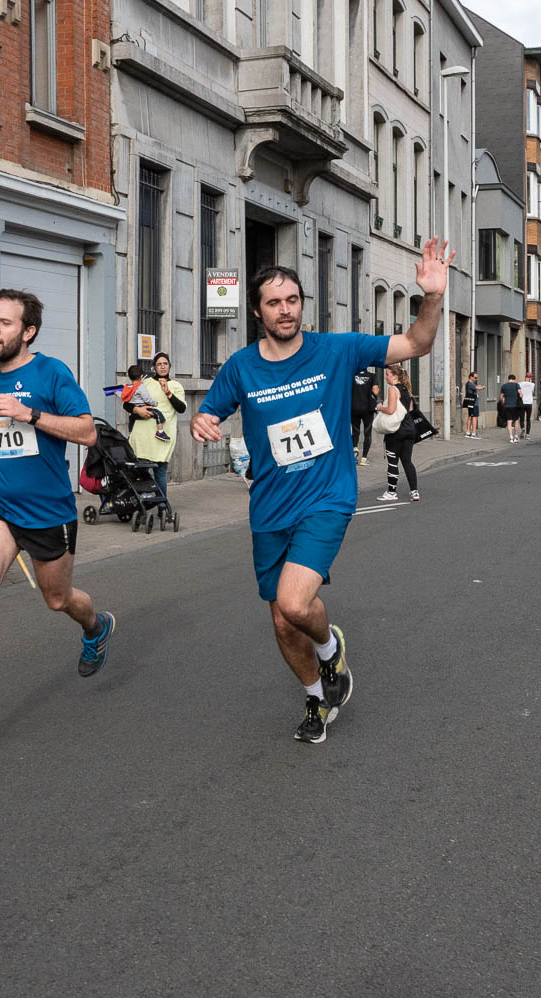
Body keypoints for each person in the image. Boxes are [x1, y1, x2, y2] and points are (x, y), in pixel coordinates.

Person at [191, 238, 453, 744]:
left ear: (302, 304)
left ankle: (330, 649)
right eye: (274, 302)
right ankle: (318, 696)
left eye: (292, 300)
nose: (285, 310)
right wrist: (203, 420)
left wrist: (433, 297)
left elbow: (416, 343)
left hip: (327, 498)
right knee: (284, 622)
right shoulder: (241, 367)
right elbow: (211, 411)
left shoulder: (338, 349)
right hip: (269, 507)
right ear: (256, 310)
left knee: (293, 603)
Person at [0, 289, 114, 740]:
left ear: (28, 331)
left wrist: (30, 413)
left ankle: (96, 626)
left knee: (58, 599)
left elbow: (88, 432)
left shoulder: (52, 373)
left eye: (6, 323)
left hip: (48, 510)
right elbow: (3, 439)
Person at [126, 352, 187, 496]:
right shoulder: (144, 383)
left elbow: (181, 408)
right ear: (154, 367)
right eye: (159, 364)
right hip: (142, 436)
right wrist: (137, 410)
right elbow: (127, 404)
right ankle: (142, 505)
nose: (162, 367)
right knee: (140, 471)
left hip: (162, 436)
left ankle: (162, 507)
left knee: (160, 472)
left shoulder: (176, 386)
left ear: (170, 367)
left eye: (165, 364)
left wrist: (168, 393)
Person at [376, 365, 420, 502]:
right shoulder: (407, 389)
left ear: (395, 376)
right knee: (407, 461)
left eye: (387, 374)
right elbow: (410, 409)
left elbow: (390, 410)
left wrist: (378, 407)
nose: (385, 376)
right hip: (410, 429)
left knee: (393, 462)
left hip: (396, 430)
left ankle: (392, 492)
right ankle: (414, 492)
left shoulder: (393, 389)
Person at [351, 359, 379, 465]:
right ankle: (364, 458)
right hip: (367, 409)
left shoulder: (351, 376)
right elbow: (375, 390)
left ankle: (354, 452)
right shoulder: (372, 376)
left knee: (355, 431)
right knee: (367, 433)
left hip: (354, 408)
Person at [499, 374, 522, 443]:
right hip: (515, 406)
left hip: (507, 406)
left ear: (508, 379)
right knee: (516, 421)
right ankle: (516, 436)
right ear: (514, 379)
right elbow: (520, 394)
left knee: (509, 421)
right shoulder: (516, 385)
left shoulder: (504, 386)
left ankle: (511, 437)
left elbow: (501, 397)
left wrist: (503, 402)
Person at [462, 371, 483, 438]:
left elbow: (476, 387)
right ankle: (473, 433)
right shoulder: (470, 384)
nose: (476, 379)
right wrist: (482, 387)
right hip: (474, 403)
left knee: (470, 417)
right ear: (471, 377)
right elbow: (478, 388)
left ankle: (468, 432)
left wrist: (478, 386)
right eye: (475, 377)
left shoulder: (469, 384)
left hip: (470, 402)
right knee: (474, 417)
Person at [518, 372, 536, 438]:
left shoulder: (520, 383)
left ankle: (522, 427)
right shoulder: (532, 384)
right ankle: (528, 434)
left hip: (522, 402)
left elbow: (518, 391)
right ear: (530, 378)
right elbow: (532, 392)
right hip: (529, 403)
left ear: (525, 377)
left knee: (522, 418)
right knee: (528, 419)